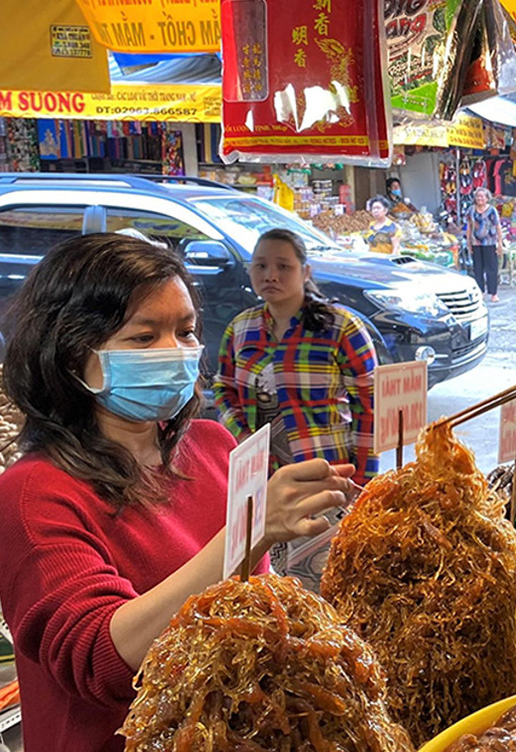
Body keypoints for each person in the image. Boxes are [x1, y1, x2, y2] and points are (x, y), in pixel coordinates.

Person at [0, 234, 355, 752]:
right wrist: (249, 529)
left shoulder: (214, 447)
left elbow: (254, 598)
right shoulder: (32, 494)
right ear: (73, 352)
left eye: (186, 331)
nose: (175, 352)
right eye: (144, 338)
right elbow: (103, 658)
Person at [214, 229, 377, 590]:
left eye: (282, 266)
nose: (270, 275)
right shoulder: (240, 330)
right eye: (260, 266)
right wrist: (242, 435)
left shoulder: (341, 329)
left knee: (329, 584)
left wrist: (364, 482)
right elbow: (223, 388)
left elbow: (370, 408)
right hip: (261, 483)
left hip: (326, 481)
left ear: (305, 271)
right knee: (268, 585)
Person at [465, 187, 502, 302]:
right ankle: (480, 291)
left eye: (482, 196)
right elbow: (469, 227)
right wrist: (468, 242)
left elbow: (497, 226)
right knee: (478, 268)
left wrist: (500, 242)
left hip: (489, 242)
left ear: (487, 198)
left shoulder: (492, 211)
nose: (480, 198)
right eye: (478, 196)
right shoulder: (471, 210)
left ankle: (493, 293)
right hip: (476, 243)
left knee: (491, 268)